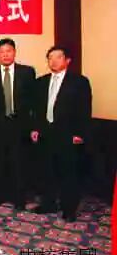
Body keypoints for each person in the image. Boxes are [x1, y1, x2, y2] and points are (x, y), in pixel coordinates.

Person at [31, 46, 92, 222]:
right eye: (50, 58)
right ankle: (48, 204)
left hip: (68, 134)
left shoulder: (79, 82)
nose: (54, 61)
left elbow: (84, 109)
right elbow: (37, 109)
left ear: (67, 60)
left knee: (68, 173)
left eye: (58, 57)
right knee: (46, 171)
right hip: (46, 133)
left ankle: (69, 208)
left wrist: (80, 133)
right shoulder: (41, 82)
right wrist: (35, 128)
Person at [0, 38, 36, 210]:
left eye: (8, 51)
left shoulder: (27, 72)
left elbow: (34, 101)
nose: (5, 55)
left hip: (20, 125)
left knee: (19, 163)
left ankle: (19, 199)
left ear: (14, 52)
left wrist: (33, 127)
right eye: (1, 52)